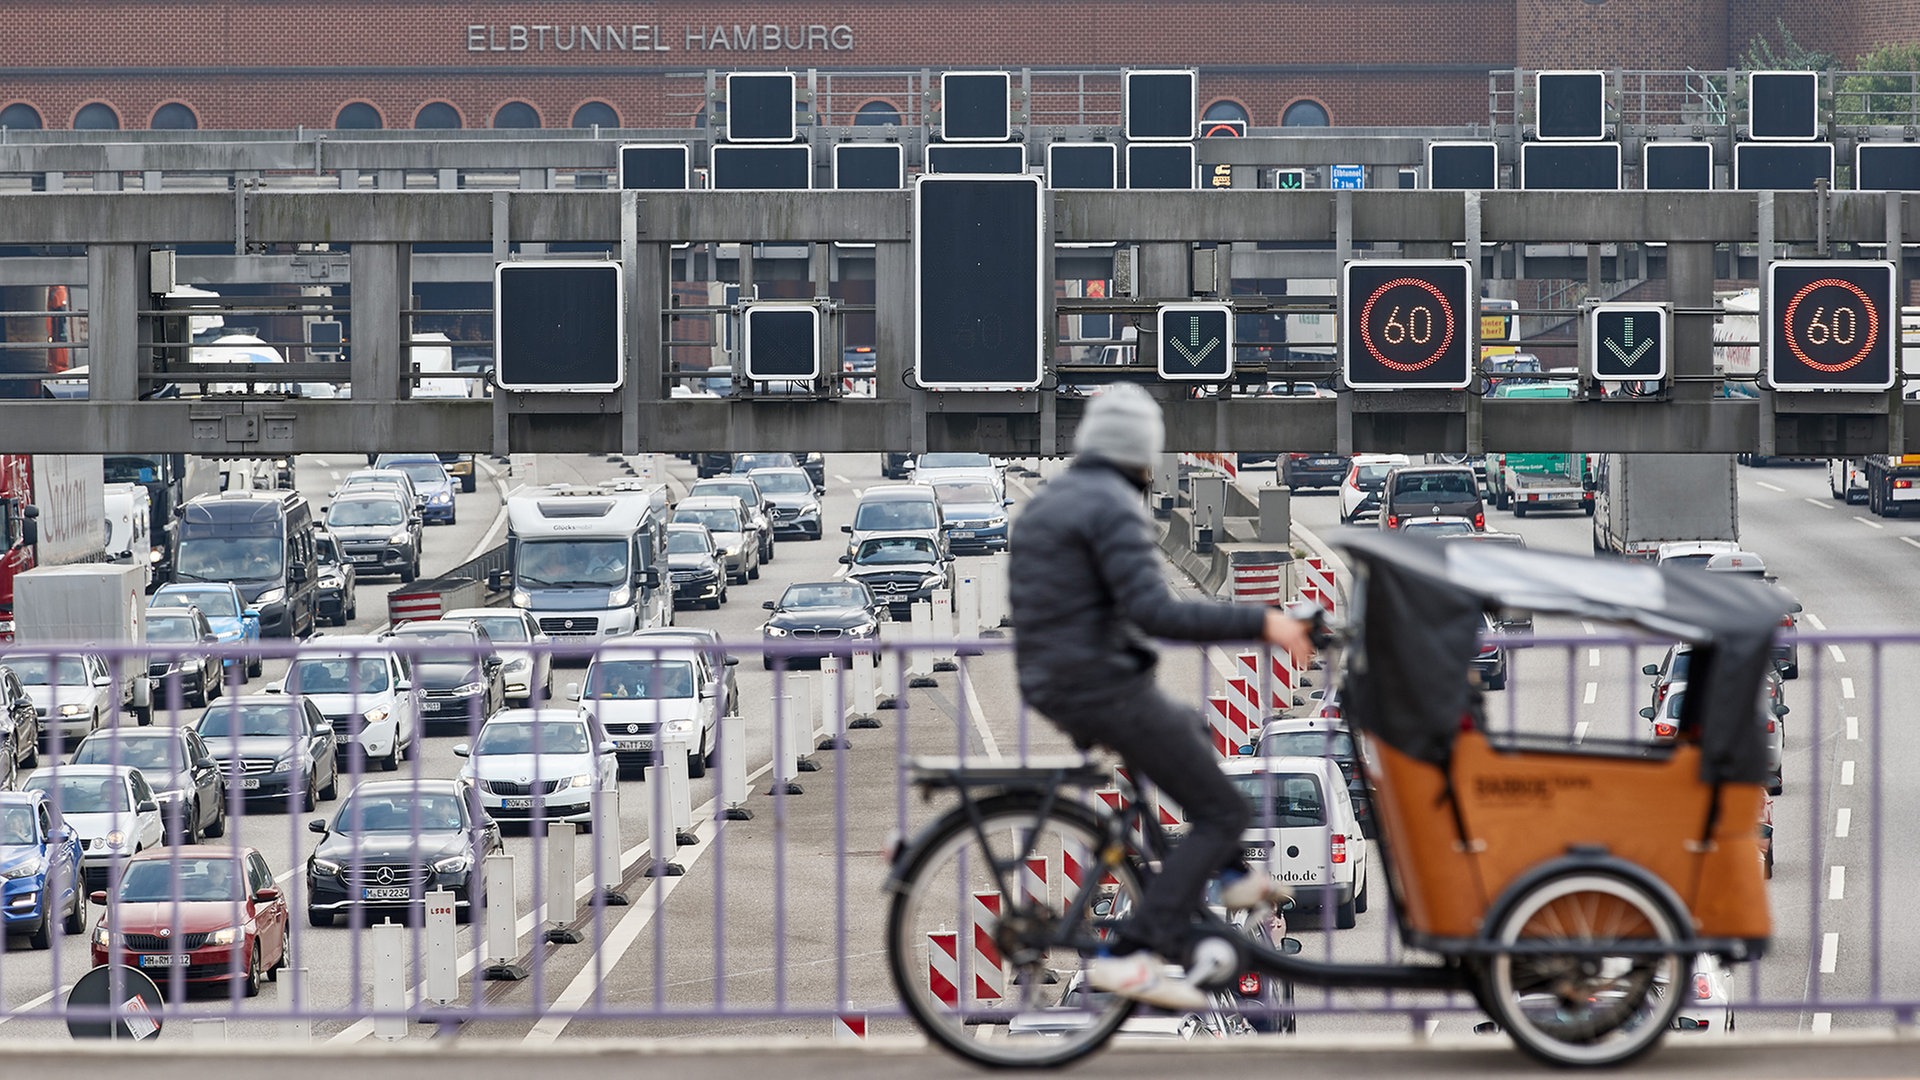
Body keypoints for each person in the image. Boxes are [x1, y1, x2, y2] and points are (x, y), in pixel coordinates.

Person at [1009, 383, 1316, 1011]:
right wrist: (1265, 623)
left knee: (1190, 730)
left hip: (1057, 680)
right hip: (1098, 684)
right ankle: (1130, 955)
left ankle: (1231, 877)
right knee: (1226, 812)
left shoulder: (1055, 499)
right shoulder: (1113, 505)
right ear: (1140, 454)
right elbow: (1156, 612)